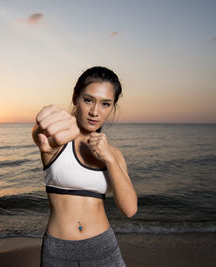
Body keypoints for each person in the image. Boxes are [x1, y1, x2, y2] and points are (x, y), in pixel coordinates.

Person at [32, 66, 137, 266]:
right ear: (75, 97)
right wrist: (43, 124)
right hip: (59, 252)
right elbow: (41, 134)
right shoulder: (58, 141)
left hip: (104, 248)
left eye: (105, 104)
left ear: (112, 107)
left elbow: (129, 209)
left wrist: (110, 159)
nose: (95, 112)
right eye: (88, 100)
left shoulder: (114, 154)